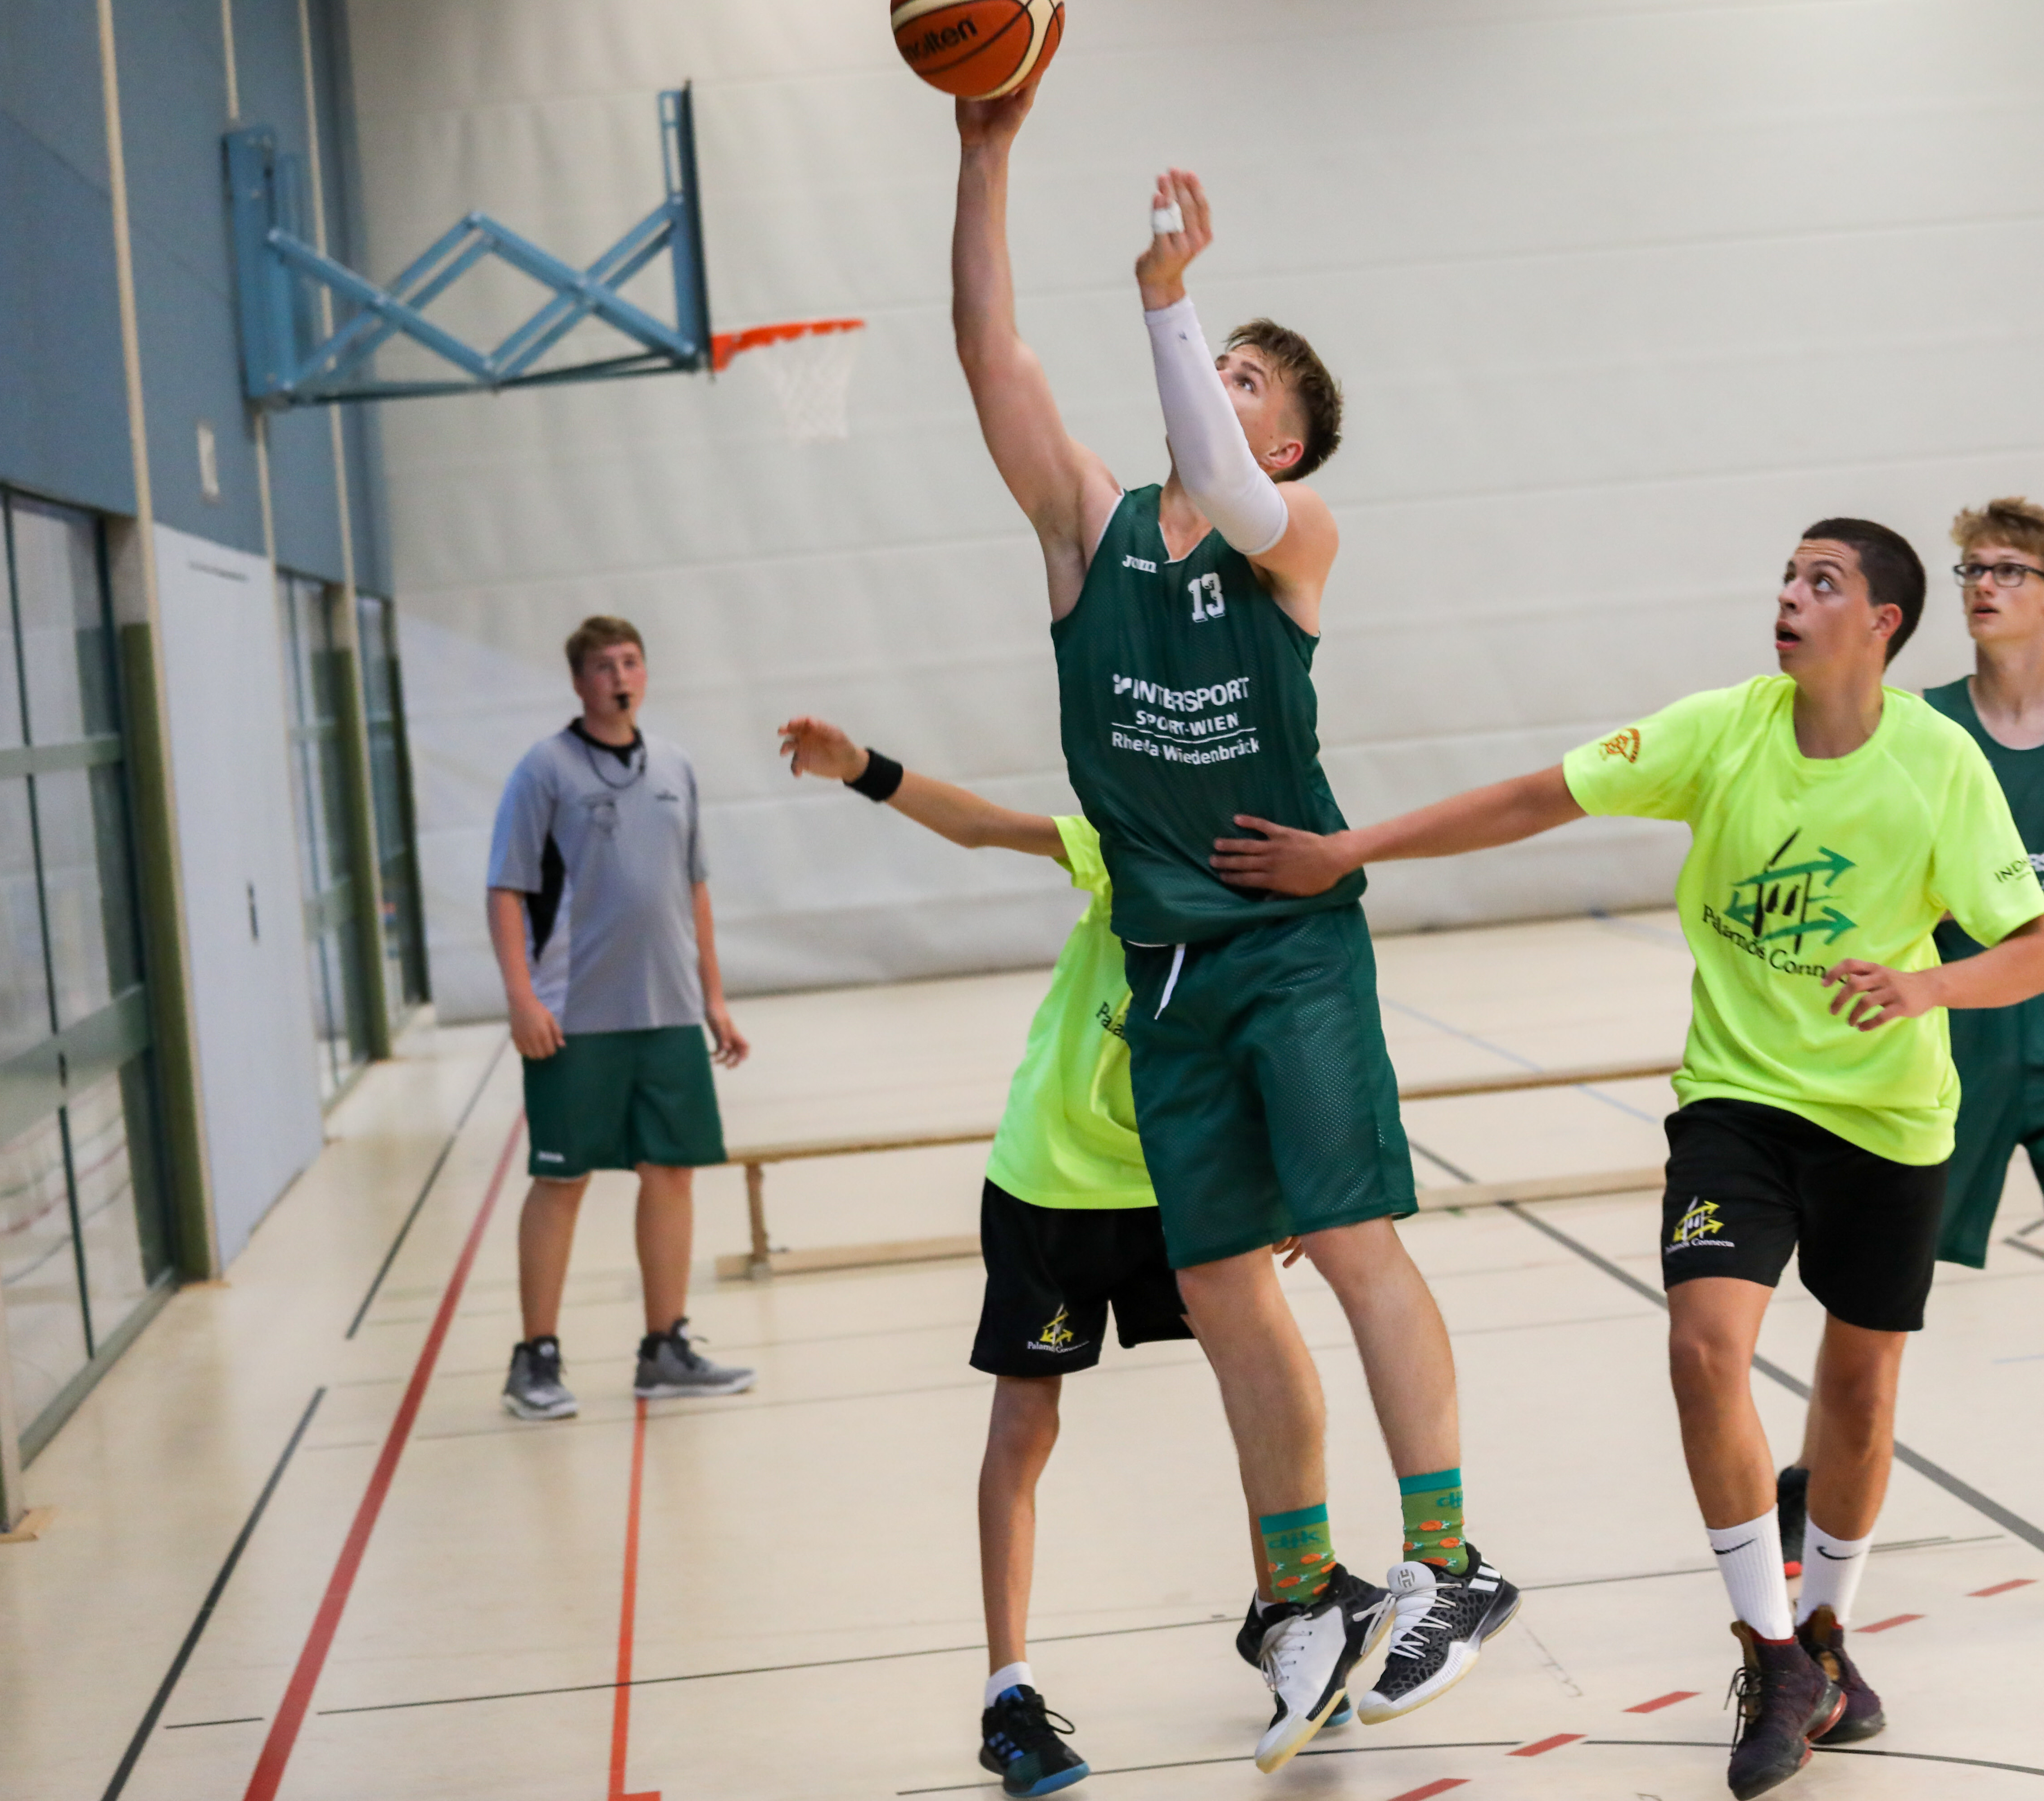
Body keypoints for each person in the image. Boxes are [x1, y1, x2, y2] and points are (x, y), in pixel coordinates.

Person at [1210, 522, 2044, 1796]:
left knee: (1860, 1395)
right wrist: (1348, 850)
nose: (1789, 595)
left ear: (1884, 622)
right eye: (1787, 575)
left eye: (1822, 582)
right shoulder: (1722, 730)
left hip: (1888, 1120)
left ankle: (1827, 1632)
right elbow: (1535, 796)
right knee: (1704, 1349)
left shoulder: (1940, 763)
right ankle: (1770, 1650)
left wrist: (1926, 983)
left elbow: (2035, 952)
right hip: (1738, 1103)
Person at [945, 80, 1519, 1773]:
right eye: (1222, 361)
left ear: (1282, 447)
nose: (1224, 383)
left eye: (1249, 377)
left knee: (1348, 1243)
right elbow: (989, 356)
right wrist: (984, 154)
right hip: (1167, 971)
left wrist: (1167, 304)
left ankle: (1450, 1561)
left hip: (1289, 945)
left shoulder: (1295, 539)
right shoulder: (1090, 531)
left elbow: (1211, 459)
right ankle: (1305, 1592)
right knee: (1217, 1291)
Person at [782, 715, 1315, 1796]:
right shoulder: (1129, 848)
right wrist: (863, 769)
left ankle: (1292, 1618)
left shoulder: (1272, 893)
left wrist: (1287, 1170)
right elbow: (983, 826)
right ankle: (1008, 1697)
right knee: (1027, 1423)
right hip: (1053, 1181)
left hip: (1181, 1182)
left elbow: (1285, 1041)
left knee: (1263, 1382)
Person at [1783, 497, 2044, 1609]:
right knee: (1879, 1286)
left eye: (2009, 570)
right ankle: (1807, 1474)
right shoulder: (1920, 720)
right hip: (1954, 1036)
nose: (1983, 585)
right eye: (1973, 568)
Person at [489, 615, 753, 1421]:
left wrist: (713, 999)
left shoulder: (675, 765)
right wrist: (522, 999)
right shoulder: (544, 769)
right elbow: (506, 890)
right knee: (561, 1179)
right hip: (574, 1017)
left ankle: (664, 1348)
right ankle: (535, 1359)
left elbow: (694, 887)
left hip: (668, 1011)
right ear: (579, 682)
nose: (619, 677)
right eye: (603, 666)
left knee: (670, 1172)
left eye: (631, 662)